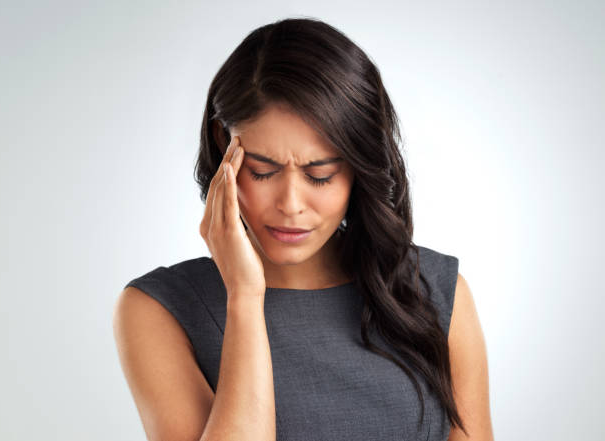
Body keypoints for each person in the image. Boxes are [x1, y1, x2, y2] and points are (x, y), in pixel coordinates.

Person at [113, 17, 494, 441]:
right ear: (225, 151)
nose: (291, 205)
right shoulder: (160, 310)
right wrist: (244, 298)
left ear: (357, 169)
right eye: (261, 171)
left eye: (320, 175)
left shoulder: (439, 293)